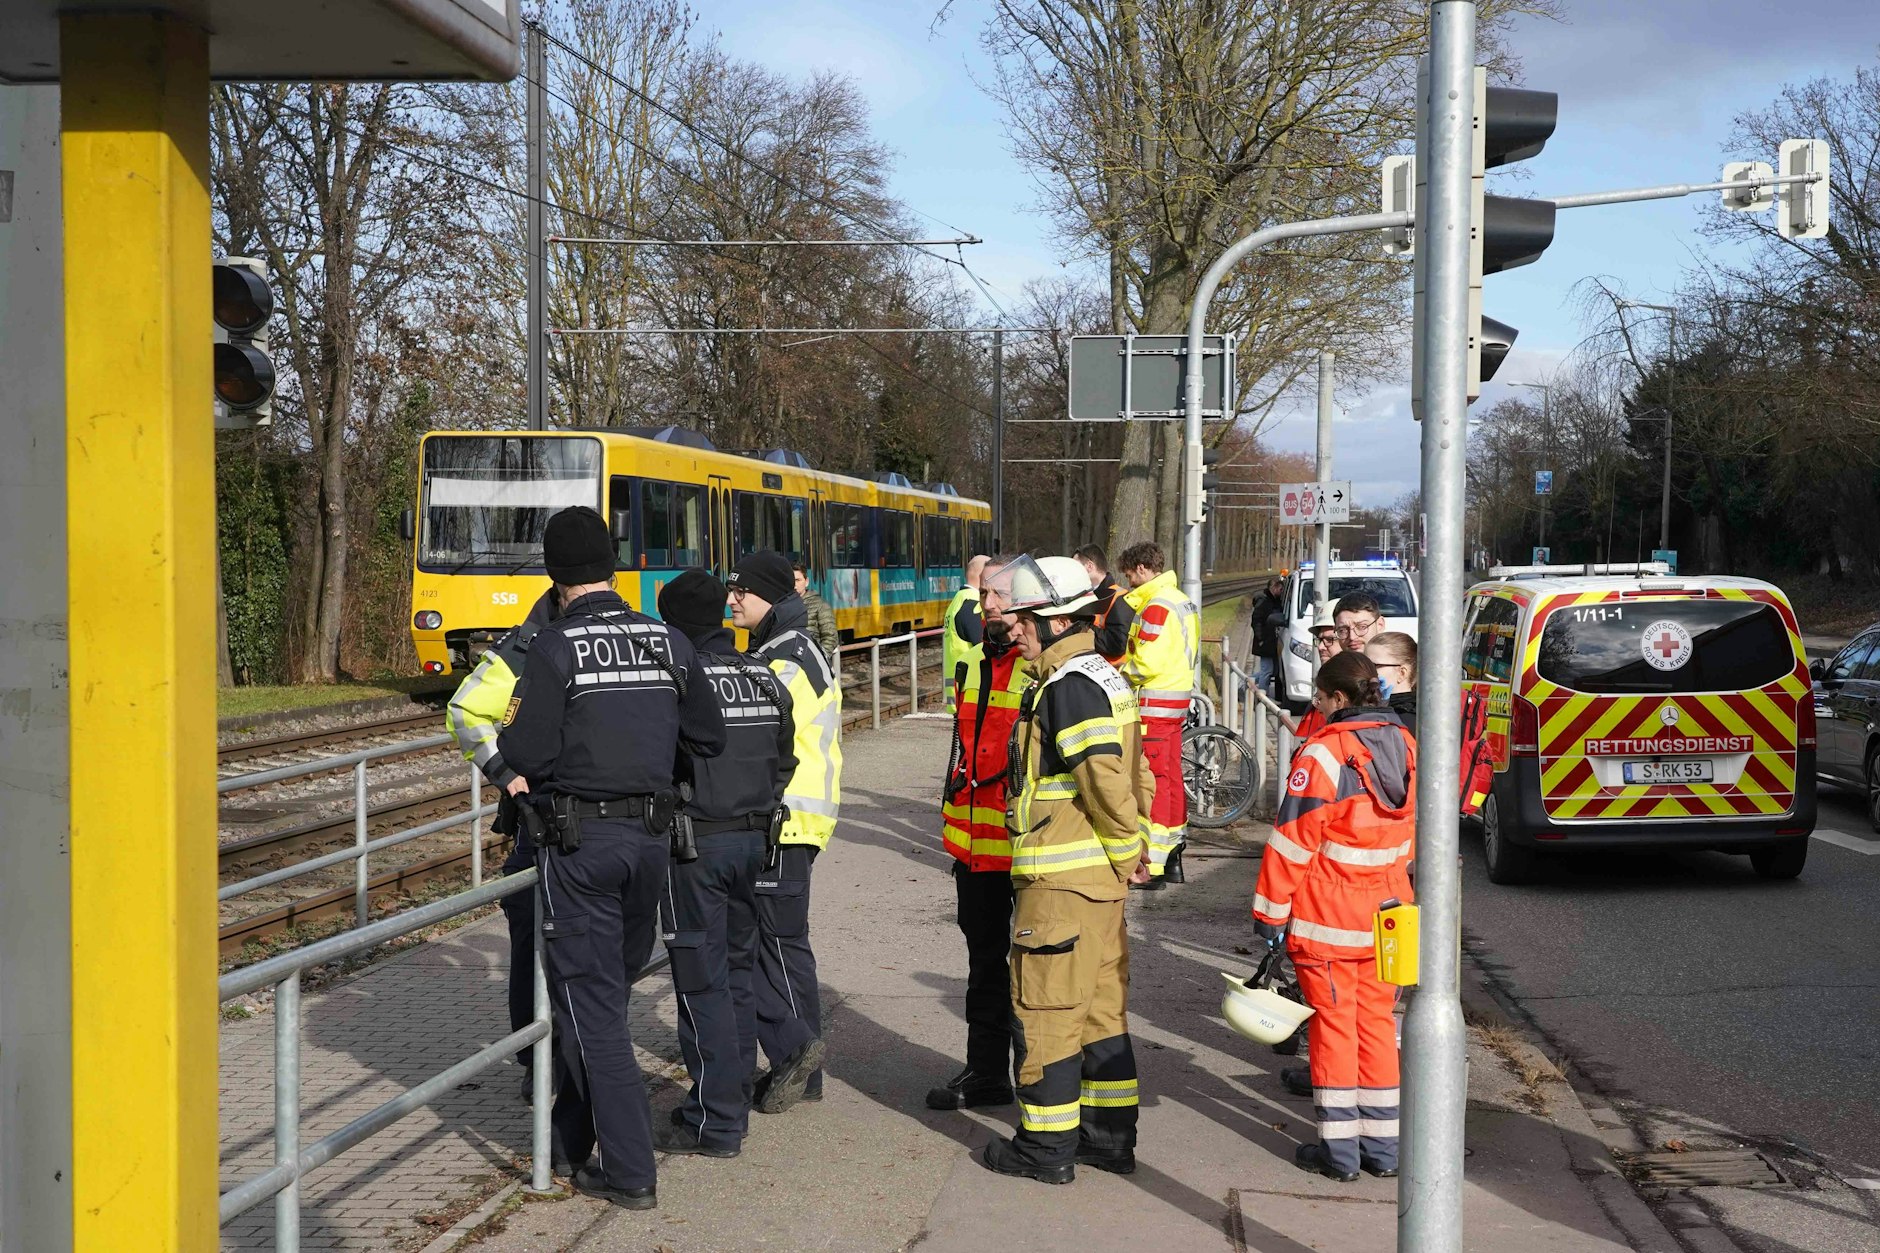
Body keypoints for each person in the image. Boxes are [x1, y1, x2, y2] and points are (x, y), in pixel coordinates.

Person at [496, 506, 728, 1209]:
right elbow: (710, 736)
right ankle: (571, 1139)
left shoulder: (555, 647)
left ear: (554, 576)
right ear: (614, 569)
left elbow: (524, 750)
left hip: (581, 849)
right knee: (601, 996)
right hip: (650, 847)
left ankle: (629, 1170)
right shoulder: (667, 640)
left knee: (593, 1010)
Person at [979, 555, 1155, 1185]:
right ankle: (1107, 1140)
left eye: (1024, 619)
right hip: (1096, 883)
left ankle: (1044, 1147)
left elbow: (1102, 778)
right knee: (1100, 1012)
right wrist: (1133, 851)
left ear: (1056, 622)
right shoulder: (1103, 675)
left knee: (1048, 1011)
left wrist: (1127, 848)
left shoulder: (1066, 686)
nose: (1014, 628)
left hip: (1060, 883)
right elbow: (1138, 772)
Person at [1252, 651, 1414, 1183]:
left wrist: (1270, 915)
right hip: (1391, 917)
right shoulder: (1408, 745)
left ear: (1339, 698)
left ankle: (1340, 1155)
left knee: (1334, 1031)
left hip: (1329, 921)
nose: (1316, 707)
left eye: (1320, 699)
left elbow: (1292, 843)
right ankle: (1383, 1150)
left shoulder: (1324, 755)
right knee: (1378, 1026)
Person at [653, 570, 798, 1159]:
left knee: (700, 983)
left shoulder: (679, 682)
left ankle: (713, 1122)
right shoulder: (763, 676)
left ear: (674, 625)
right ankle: (732, 1101)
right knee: (738, 974)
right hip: (756, 844)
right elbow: (785, 760)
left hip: (696, 849)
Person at [727, 551, 842, 1113]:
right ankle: (796, 1065)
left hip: (785, 819)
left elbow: (758, 730)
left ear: (768, 596)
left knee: (778, 945)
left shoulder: (787, 656)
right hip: (791, 817)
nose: (731, 599)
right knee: (779, 946)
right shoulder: (784, 645)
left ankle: (800, 1064)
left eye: (741, 591)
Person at [446, 587, 559, 1103]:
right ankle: (538, 1060)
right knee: (533, 948)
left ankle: (563, 1059)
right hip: (539, 828)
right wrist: (505, 774)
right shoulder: (524, 647)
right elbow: (465, 711)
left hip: (589, 829)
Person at [930, 555, 1027, 1112]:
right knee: (984, 965)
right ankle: (987, 1074)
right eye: (985, 593)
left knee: (1034, 973)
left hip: (1026, 849)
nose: (986, 604)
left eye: (999, 595)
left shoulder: (1041, 669)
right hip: (975, 850)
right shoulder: (975, 663)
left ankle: (1040, 1089)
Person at [1116, 540, 1199, 887]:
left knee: (1154, 783)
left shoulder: (1156, 606)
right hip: (1174, 702)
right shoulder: (1179, 600)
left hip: (1154, 705)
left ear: (1142, 569)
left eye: (1130, 576)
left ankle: (1155, 865)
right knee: (1172, 778)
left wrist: (1118, 674)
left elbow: (1146, 662)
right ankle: (1174, 854)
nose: (1129, 583)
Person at [1282, 607, 1341, 743]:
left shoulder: (1353, 689)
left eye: (1329, 639)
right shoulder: (1325, 683)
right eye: (1320, 640)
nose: (1320, 647)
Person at [941, 555, 991, 713]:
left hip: (958, 689)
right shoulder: (974, 605)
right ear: (982, 575)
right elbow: (985, 647)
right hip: (971, 694)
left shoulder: (958, 601)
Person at [1073, 544, 1137, 665]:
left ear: (1090, 566)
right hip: (1092, 667)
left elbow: (1118, 644)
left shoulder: (1119, 598)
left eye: (1075, 567)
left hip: (1113, 671)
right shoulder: (1087, 595)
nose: (1072, 572)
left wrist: (1081, 627)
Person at [1365, 631, 1418, 737]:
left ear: (1402, 673)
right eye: (1364, 665)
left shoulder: (1408, 721)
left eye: (1373, 666)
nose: (1365, 671)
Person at [792, 561, 840, 662]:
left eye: (798, 580)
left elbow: (830, 637)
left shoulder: (820, 605)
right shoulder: (781, 605)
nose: (794, 585)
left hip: (810, 661)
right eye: (791, 580)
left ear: (806, 581)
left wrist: (818, 660)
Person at [1248, 576, 1287, 694]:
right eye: (1280, 589)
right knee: (1267, 670)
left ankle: (1246, 682)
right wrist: (1261, 638)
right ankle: (1262, 695)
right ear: (1274, 588)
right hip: (1265, 641)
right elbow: (1256, 621)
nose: (1282, 592)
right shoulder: (1264, 602)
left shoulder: (1273, 601)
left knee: (1273, 670)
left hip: (1271, 641)